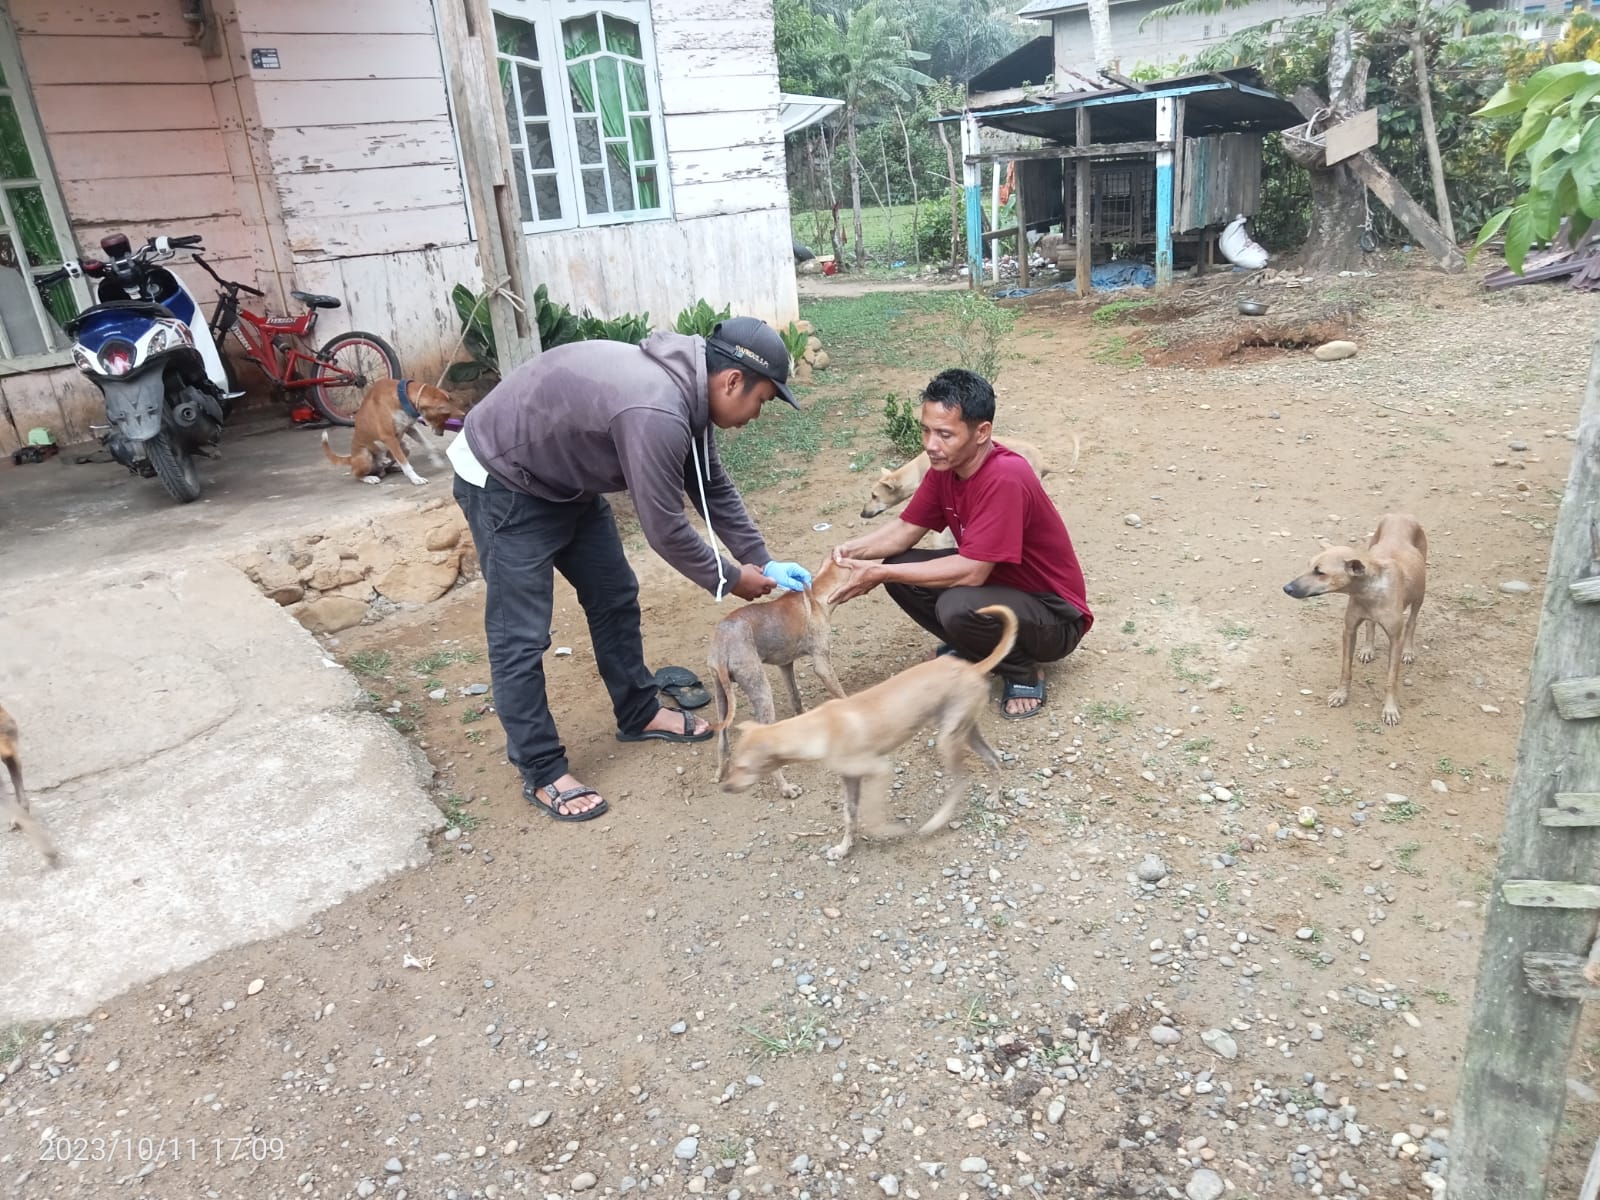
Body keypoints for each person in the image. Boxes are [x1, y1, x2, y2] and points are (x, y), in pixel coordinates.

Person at [448, 317, 814, 821]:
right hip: (504, 477)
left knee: (614, 595)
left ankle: (639, 712)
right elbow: (665, 528)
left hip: (564, 477)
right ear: (733, 381)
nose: (757, 414)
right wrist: (731, 578)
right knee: (521, 636)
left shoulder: (691, 397)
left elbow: (710, 485)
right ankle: (542, 769)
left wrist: (761, 557)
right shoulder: (657, 410)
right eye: (763, 400)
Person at [827, 368, 1092, 719]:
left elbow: (972, 572)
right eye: (926, 430)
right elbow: (905, 529)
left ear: (981, 432)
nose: (930, 445)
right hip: (1003, 589)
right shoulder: (946, 469)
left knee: (956, 604)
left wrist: (877, 573)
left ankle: (1022, 671)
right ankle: (974, 648)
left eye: (944, 434)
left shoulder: (1006, 477)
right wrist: (847, 552)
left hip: (1055, 618)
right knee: (898, 566)